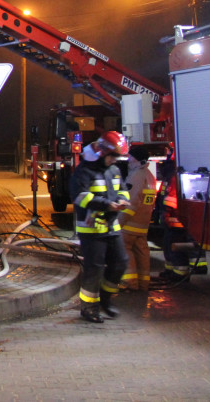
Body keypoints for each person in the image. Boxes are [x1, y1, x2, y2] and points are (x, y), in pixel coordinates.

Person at [71, 130, 130, 323]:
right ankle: (88, 308)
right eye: (113, 156)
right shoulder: (84, 170)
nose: (115, 160)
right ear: (102, 152)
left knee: (120, 262)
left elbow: (123, 191)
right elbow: (79, 196)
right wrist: (105, 204)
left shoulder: (114, 170)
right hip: (92, 229)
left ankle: (105, 300)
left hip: (111, 226)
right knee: (94, 268)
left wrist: (121, 201)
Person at [155, 159, 206, 283]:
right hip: (171, 219)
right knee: (169, 244)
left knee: (175, 246)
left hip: (175, 219)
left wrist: (166, 211)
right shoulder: (171, 175)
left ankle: (180, 273)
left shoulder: (173, 177)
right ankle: (172, 271)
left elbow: (171, 198)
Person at [117, 145, 158, 291]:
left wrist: (119, 221)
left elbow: (131, 202)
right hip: (143, 223)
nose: (128, 160)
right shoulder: (149, 175)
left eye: (130, 157)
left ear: (136, 159)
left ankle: (130, 283)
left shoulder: (136, 176)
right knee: (142, 252)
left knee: (124, 249)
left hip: (130, 224)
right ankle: (143, 283)